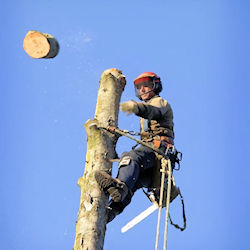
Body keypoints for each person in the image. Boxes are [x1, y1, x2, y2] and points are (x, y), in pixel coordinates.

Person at [95, 72, 175, 222]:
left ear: (155, 85)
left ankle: (118, 188)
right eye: (139, 87)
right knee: (134, 182)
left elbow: (153, 112)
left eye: (146, 85)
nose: (143, 90)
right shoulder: (149, 107)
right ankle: (113, 210)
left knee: (131, 158)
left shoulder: (159, 102)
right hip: (155, 165)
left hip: (158, 151)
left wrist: (136, 108)